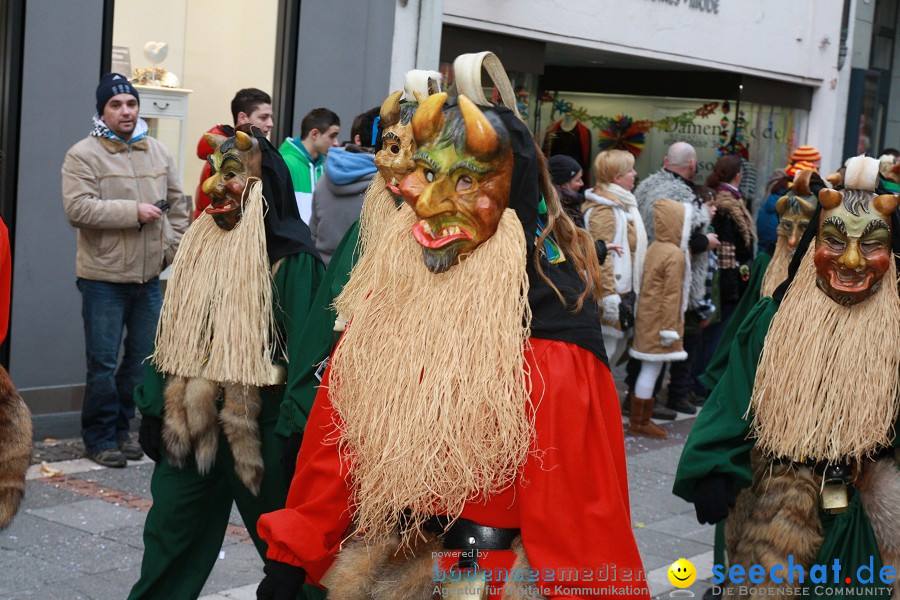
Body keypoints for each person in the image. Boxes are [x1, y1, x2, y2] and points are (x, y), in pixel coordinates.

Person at [255, 79, 649, 598]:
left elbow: (580, 503)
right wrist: (292, 554)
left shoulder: (550, 324)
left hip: (475, 572)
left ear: (511, 198)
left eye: (466, 181)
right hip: (380, 557)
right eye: (427, 174)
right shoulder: (389, 299)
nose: (433, 203)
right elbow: (338, 440)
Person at [674, 156, 900, 599]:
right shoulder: (772, 320)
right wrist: (713, 467)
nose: (851, 261)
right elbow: (733, 395)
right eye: (833, 242)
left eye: (871, 245)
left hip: (864, 501)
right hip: (775, 493)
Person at [127, 125, 325, 600]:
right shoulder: (198, 246)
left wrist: (301, 435)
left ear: (263, 185)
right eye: (215, 173)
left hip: (264, 428)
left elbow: (309, 359)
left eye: (232, 174)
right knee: (168, 540)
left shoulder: (293, 262)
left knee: (292, 554)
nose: (216, 185)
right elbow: (169, 335)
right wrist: (153, 406)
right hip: (188, 419)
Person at [61, 73, 189, 468]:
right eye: (116, 105)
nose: (126, 111)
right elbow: (77, 209)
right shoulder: (82, 154)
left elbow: (178, 205)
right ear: (102, 111)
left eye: (131, 104)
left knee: (139, 362)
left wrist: (170, 251)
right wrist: (131, 211)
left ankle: (121, 430)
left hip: (149, 279)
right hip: (103, 279)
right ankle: (98, 438)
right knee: (102, 364)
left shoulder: (158, 152)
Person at [628, 141, 718, 417]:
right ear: (692, 164)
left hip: (648, 266)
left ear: (666, 159)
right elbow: (679, 236)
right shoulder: (679, 194)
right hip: (671, 274)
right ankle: (647, 402)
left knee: (646, 340)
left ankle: (641, 399)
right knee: (661, 341)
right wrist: (706, 240)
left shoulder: (646, 186)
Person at [626, 198, 692, 439]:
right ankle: (640, 421)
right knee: (652, 370)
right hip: (660, 322)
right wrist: (669, 328)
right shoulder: (674, 254)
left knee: (648, 368)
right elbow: (671, 295)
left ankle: (639, 418)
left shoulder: (656, 247)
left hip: (648, 316)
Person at [582, 149, 647, 367]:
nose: (635, 174)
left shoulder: (623, 205)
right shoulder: (604, 208)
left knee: (614, 351)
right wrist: (608, 297)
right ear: (617, 177)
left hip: (622, 291)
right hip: (610, 294)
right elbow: (601, 255)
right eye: (630, 170)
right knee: (604, 357)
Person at [308, 107, 379, 265]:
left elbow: (311, 236)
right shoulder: (386, 188)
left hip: (323, 279)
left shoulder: (324, 179)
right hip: (363, 282)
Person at [193, 87, 275, 219]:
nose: (270, 123)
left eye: (271, 117)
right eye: (263, 117)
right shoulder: (224, 158)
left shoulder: (255, 154)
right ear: (242, 117)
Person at [279, 108, 340, 224]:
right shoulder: (284, 162)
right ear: (314, 134)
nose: (336, 142)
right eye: (332, 136)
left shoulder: (325, 168)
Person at [549, 153, 585, 225]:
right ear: (563, 184)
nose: (582, 183)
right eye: (577, 180)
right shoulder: (557, 214)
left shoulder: (573, 205)